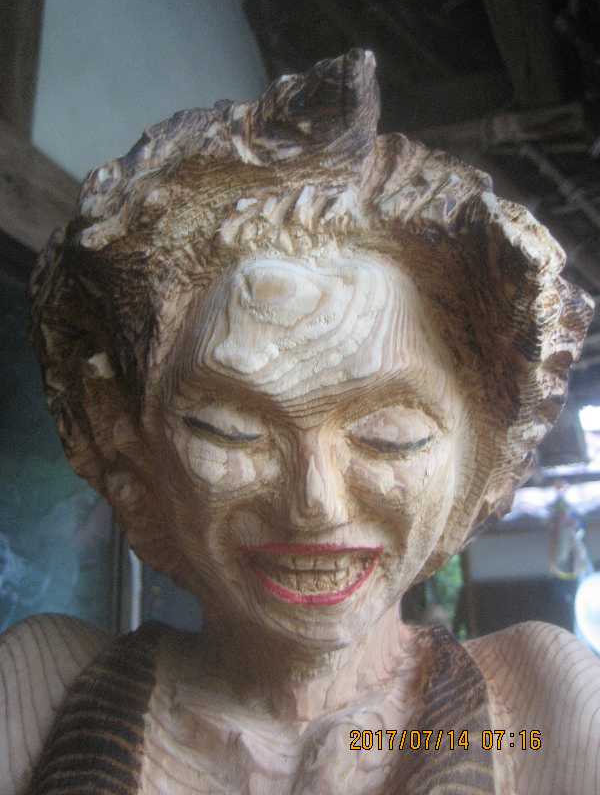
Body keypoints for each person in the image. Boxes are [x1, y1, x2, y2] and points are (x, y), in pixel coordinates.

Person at [3, 49, 599, 794]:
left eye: (389, 437)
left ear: (480, 461)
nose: (316, 503)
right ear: (130, 445)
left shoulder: (543, 711)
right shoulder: (38, 694)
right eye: (230, 430)